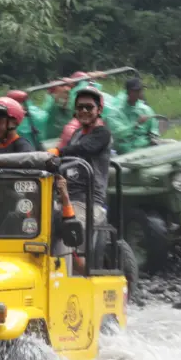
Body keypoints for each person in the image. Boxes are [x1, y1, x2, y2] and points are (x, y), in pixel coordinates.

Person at [47, 86, 111, 271]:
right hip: (67, 197)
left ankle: (77, 277)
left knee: (69, 232)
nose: (83, 111)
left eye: (89, 107)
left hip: (89, 202)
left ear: (99, 110)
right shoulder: (76, 134)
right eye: (80, 107)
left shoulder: (101, 134)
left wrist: (58, 151)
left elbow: (84, 149)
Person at [106, 77, 160, 155]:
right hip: (127, 150)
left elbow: (153, 128)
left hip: (146, 146)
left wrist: (153, 137)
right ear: (128, 92)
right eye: (136, 91)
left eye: (140, 90)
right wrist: (136, 124)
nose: (139, 93)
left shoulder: (146, 109)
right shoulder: (115, 112)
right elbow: (119, 134)